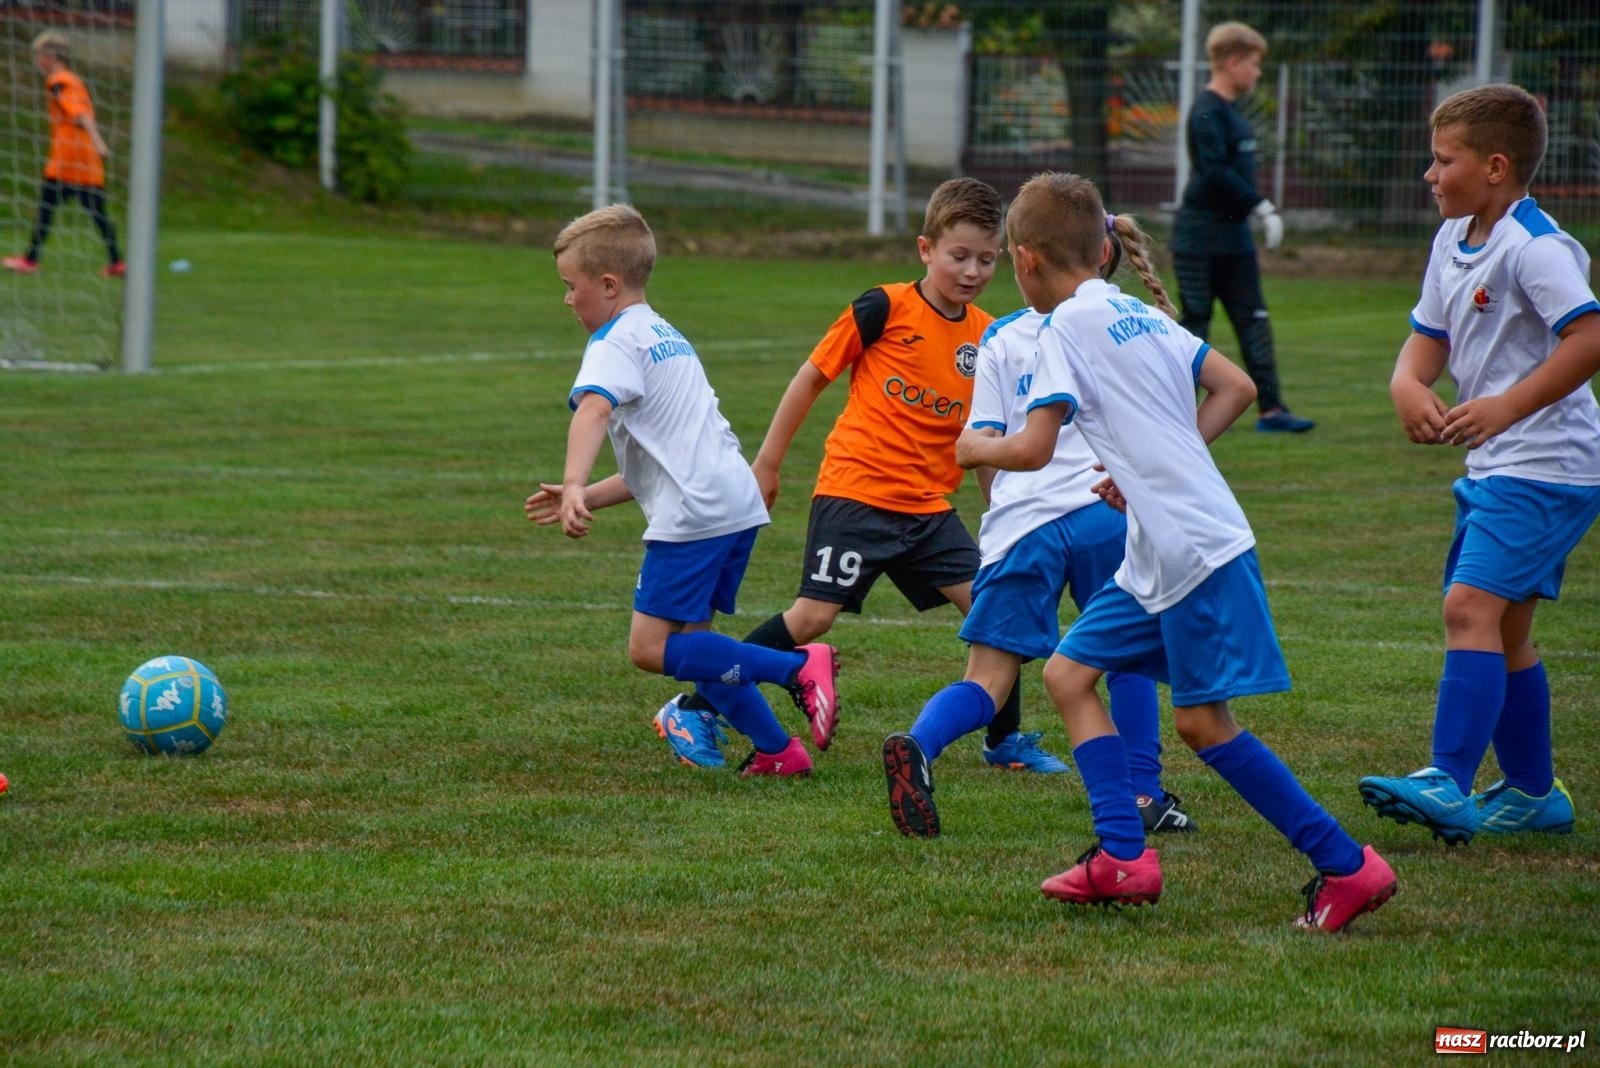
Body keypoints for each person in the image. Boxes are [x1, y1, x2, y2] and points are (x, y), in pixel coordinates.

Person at [957, 172, 1396, 932]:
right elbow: (1236, 387)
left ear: (1025, 260)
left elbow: (1030, 450)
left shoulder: (1061, 328)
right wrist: (1156, 468)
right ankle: (1123, 858)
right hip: (1161, 546)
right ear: (1102, 249)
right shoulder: (1137, 313)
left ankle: (1348, 867)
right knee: (1068, 674)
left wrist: (972, 444)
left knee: (1202, 725)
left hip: (1193, 549)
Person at [664, 177, 1063, 772]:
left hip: (928, 509)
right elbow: (811, 377)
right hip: (857, 493)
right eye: (959, 256)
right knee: (811, 618)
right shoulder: (884, 307)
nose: (973, 271)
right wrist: (767, 464)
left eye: (986, 259)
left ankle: (1003, 741)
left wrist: (1000, 511)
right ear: (926, 249)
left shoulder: (989, 334)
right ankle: (696, 706)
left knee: (994, 608)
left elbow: (985, 437)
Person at [1357, 84, 1600, 844]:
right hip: (1505, 465)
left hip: (1548, 465)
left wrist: (1504, 406)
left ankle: (1447, 781)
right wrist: (1405, 382)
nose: (1430, 175)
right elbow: (1429, 335)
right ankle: (1532, 795)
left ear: (1495, 166)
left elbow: (1588, 338)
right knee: (1506, 629)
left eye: (1442, 160)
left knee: (1468, 610)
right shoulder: (1452, 238)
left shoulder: (1535, 247)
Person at [523, 204, 839, 777]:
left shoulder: (615, 342)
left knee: (648, 649)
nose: (568, 300)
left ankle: (796, 668)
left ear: (609, 285)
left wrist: (572, 480)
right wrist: (586, 495)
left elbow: (593, 409)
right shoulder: (663, 333)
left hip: (697, 513)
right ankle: (778, 751)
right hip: (731, 501)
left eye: (572, 287)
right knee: (697, 650)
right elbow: (655, 465)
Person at [881, 299, 1192, 838]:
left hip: (1022, 525)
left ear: (1026, 260)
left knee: (988, 679)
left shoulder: (1000, 334)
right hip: (1103, 510)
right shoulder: (1119, 316)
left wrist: (1002, 514)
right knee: (1128, 660)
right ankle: (1143, 791)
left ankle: (919, 747)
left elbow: (983, 445)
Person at [1171, 21, 1311, 434]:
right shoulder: (1206, 112)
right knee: (1194, 325)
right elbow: (1213, 172)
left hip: (1234, 241)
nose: (1258, 72)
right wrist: (1261, 206)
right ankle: (1177, 414)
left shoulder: (1232, 114)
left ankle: (1272, 409)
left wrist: (1253, 213)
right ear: (1233, 63)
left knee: (1254, 320)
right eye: (1253, 64)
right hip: (1198, 239)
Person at [3, 31, 124, 278]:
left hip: (68, 160)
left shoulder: (59, 82)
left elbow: (79, 115)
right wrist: (96, 144)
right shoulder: (73, 80)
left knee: (46, 208)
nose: (36, 60)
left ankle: (30, 260)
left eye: (38, 55)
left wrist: (99, 142)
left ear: (51, 56)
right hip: (85, 160)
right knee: (98, 213)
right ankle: (117, 262)